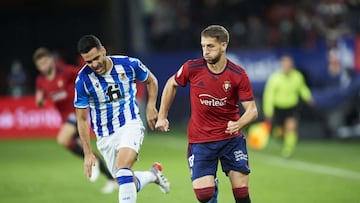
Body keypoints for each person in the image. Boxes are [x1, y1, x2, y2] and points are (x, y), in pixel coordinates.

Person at [156, 25, 258, 203]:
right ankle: (213, 188)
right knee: (204, 194)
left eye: (210, 46)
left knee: (241, 193)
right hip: (201, 140)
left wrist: (239, 124)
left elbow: (252, 111)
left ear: (223, 45)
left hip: (231, 140)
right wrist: (162, 116)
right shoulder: (192, 68)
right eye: (203, 46)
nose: (205, 51)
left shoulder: (238, 74)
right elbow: (171, 84)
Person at [74, 35, 170, 203]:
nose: (94, 64)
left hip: (129, 123)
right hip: (104, 136)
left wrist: (150, 106)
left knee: (123, 168)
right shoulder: (83, 80)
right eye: (89, 62)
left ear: (103, 50)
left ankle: (148, 175)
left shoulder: (128, 64)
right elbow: (81, 119)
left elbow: (151, 80)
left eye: (96, 58)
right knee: (125, 179)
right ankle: (152, 175)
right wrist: (87, 152)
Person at [33, 47, 118, 193]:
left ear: (51, 60)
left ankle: (92, 159)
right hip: (65, 117)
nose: (44, 66)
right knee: (79, 146)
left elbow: (85, 74)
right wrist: (39, 100)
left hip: (78, 112)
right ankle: (112, 179)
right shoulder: (41, 81)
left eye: (46, 62)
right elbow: (39, 97)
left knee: (63, 139)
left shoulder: (66, 72)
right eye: (40, 65)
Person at [262, 55, 313, 158]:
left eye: (288, 64)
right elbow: (269, 95)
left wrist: (308, 97)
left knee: (291, 127)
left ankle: (288, 150)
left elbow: (302, 88)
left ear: (291, 65)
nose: (286, 66)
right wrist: (268, 111)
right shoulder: (275, 78)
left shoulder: (297, 76)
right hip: (278, 108)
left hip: (292, 107)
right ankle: (279, 136)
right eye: (284, 64)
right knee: (280, 133)